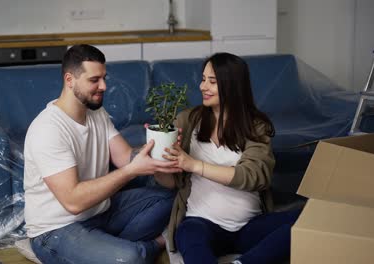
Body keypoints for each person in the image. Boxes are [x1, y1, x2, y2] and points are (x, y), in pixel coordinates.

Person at [23, 44, 180, 264]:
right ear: (70, 80)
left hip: (100, 213)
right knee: (130, 259)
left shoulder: (96, 113)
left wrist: (159, 151)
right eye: (94, 80)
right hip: (56, 229)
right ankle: (150, 246)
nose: (104, 86)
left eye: (104, 78)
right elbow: (73, 201)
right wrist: (130, 171)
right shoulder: (48, 129)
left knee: (171, 197)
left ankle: (101, 248)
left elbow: (125, 156)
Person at [159, 53, 301, 264]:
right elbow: (170, 182)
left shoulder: (255, 126)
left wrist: (194, 164)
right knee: (188, 235)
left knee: (303, 220)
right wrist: (157, 164)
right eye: (203, 79)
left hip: (249, 226)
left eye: (212, 81)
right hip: (202, 222)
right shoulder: (188, 120)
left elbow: (253, 176)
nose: (202, 86)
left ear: (232, 86)